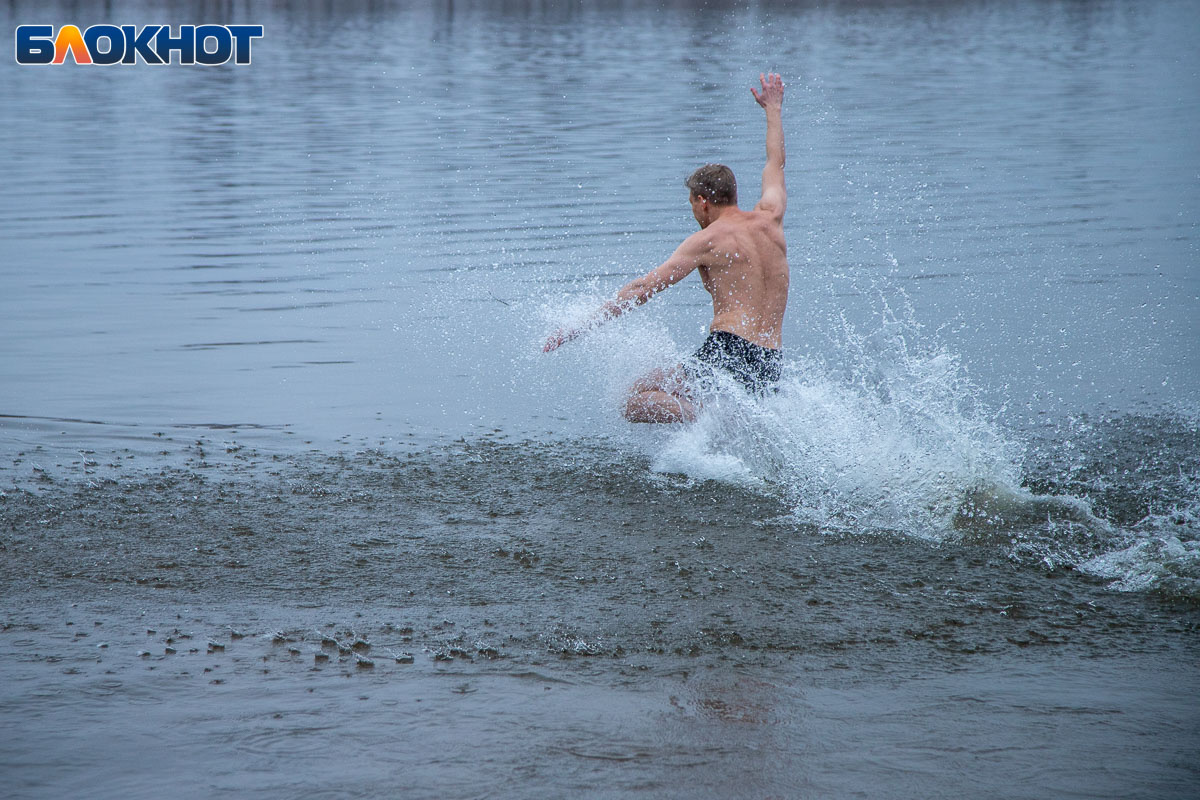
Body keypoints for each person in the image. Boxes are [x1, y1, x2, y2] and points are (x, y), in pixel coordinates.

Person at [544, 72, 789, 423]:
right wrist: (773, 110)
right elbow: (775, 163)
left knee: (637, 398)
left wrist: (578, 327)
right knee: (724, 411)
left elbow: (645, 287)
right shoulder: (772, 216)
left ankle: (704, 427)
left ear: (703, 200)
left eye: (691, 203)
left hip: (729, 350)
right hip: (770, 361)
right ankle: (715, 434)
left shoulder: (707, 240)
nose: (692, 211)